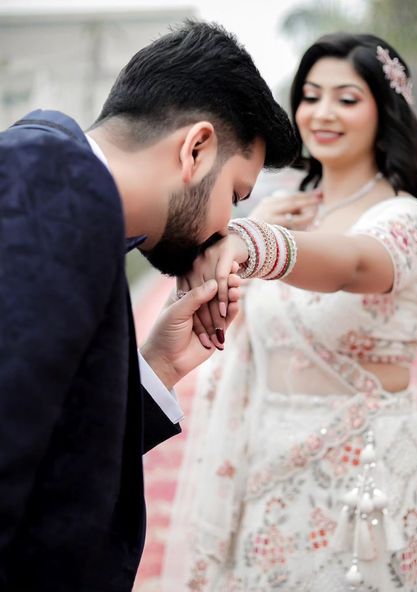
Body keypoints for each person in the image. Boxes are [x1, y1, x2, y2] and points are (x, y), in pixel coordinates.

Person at [0, 20, 298, 592]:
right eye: (234, 195)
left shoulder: (64, 185)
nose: (225, 227)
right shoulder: (53, 179)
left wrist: (157, 366)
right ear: (197, 148)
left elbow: (53, 441)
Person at [162, 32, 417, 590]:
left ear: (385, 108)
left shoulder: (408, 220)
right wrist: (259, 229)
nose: (322, 112)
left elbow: (350, 264)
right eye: (310, 95)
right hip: (265, 477)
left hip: (362, 484)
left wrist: (257, 242)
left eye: (346, 98)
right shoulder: (285, 208)